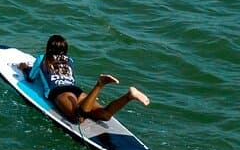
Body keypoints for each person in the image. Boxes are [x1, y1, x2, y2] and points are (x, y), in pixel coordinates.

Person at [18, 34, 150, 124]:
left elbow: (31, 78)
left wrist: (24, 68)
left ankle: (99, 84)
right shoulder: (70, 60)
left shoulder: (43, 58)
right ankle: (129, 96)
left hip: (60, 92)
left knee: (78, 118)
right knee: (104, 115)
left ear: (49, 48)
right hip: (76, 91)